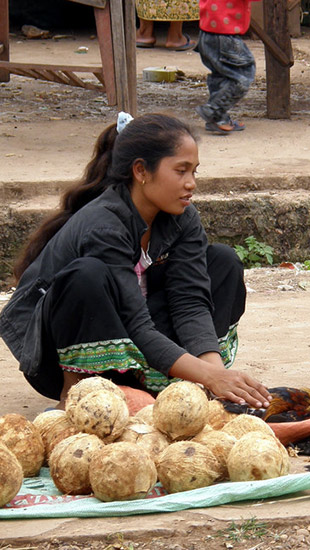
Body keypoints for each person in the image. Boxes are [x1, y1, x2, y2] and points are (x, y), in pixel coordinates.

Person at [0, 113, 270, 411]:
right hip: (56, 354)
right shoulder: (104, 225)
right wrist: (210, 375)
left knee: (222, 261)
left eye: (194, 171)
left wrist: (215, 375)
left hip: (134, 339)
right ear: (141, 171)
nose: (191, 183)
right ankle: (77, 393)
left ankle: (167, 384)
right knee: (86, 275)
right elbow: (135, 322)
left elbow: (189, 302)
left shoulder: (183, 217)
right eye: (181, 171)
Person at [193, 0, 261, 134]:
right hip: (224, 34)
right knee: (243, 75)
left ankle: (218, 120)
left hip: (207, 33)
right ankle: (214, 110)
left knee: (221, 75)